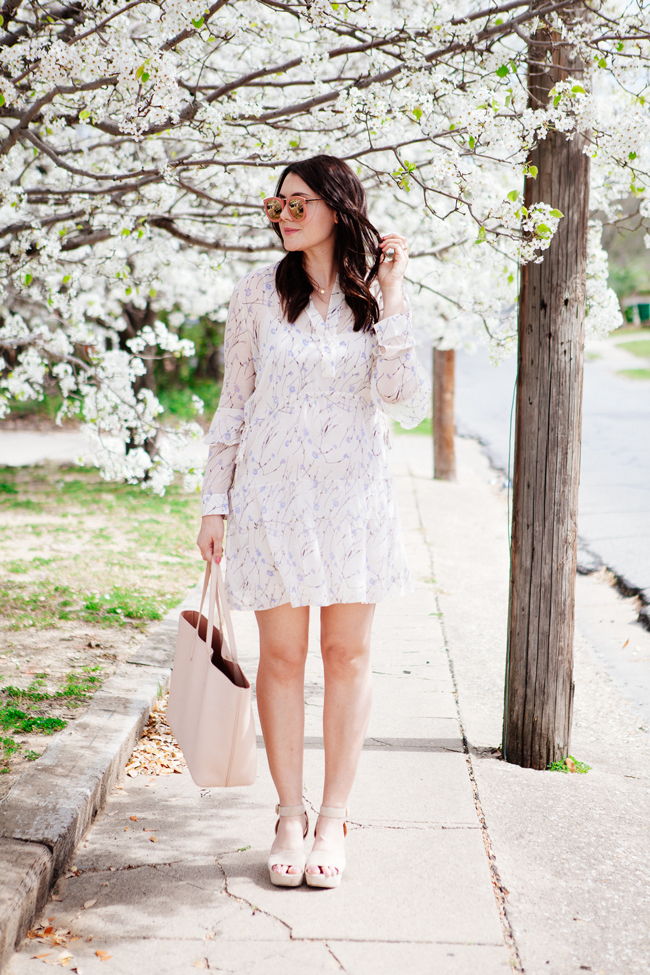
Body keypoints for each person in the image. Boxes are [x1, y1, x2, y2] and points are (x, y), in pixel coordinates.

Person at [197, 154, 430, 888]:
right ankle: (288, 814)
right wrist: (215, 500)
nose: (286, 215)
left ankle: (335, 814)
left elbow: (402, 400)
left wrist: (392, 295)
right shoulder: (257, 293)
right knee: (285, 657)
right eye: (278, 205)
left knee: (347, 656)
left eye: (299, 202)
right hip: (272, 498)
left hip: (352, 499)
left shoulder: (372, 298)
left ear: (337, 206)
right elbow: (235, 400)